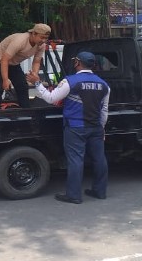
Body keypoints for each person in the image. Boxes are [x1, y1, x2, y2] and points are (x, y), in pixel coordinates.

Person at [26, 51, 110, 204]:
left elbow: (51, 98)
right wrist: (102, 128)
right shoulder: (104, 85)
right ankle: (100, 191)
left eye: (75, 61)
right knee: (99, 159)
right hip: (96, 127)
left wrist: (37, 83)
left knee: (76, 160)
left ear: (77, 63)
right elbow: (104, 110)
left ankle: (74, 195)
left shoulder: (70, 81)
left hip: (75, 127)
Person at [0, 23, 50, 110]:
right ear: (34, 34)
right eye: (41, 37)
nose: (43, 40)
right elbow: (5, 59)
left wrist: (34, 74)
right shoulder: (20, 41)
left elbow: (37, 61)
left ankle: (26, 112)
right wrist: (5, 80)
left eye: (46, 38)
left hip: (13, 63)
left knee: (22, 86)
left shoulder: (41, 45)